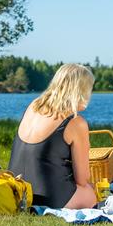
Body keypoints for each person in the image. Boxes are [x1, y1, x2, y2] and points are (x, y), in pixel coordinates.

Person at [8, 63, 97, 209]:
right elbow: (82, 179)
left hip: (17, 192)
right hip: (48, 198)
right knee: (89, 193)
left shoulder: (34, 106)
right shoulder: (76, 122)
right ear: (82, 90)